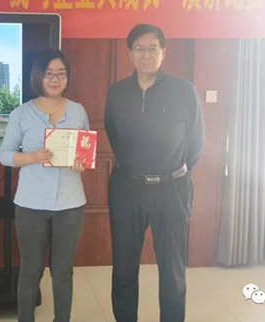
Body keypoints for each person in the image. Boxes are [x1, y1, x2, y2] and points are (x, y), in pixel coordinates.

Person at [105, 24, 205, 322]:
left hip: (171, 188)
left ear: (163, 52)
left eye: (152, 48)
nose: (146, 55)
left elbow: (196, 142)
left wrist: (172, 171)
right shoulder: (117, 92)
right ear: (130, 54)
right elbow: (113, 134)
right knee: (124, 268)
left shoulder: (183, 91)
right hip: (128, 187)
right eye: (139, 48)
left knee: (172, 270)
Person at [0, 49, 89, 322]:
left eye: (61, 74)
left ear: (67, 78)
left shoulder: (78, 111)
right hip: (31, 204)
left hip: (70, 204)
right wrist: (32, 157)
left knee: (63, 272)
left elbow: (85, 153)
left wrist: (81, 163)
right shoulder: (21, 114)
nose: (55, 79)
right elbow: (5, 155)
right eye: (49, 74)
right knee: (31, 271)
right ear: (38, 76)